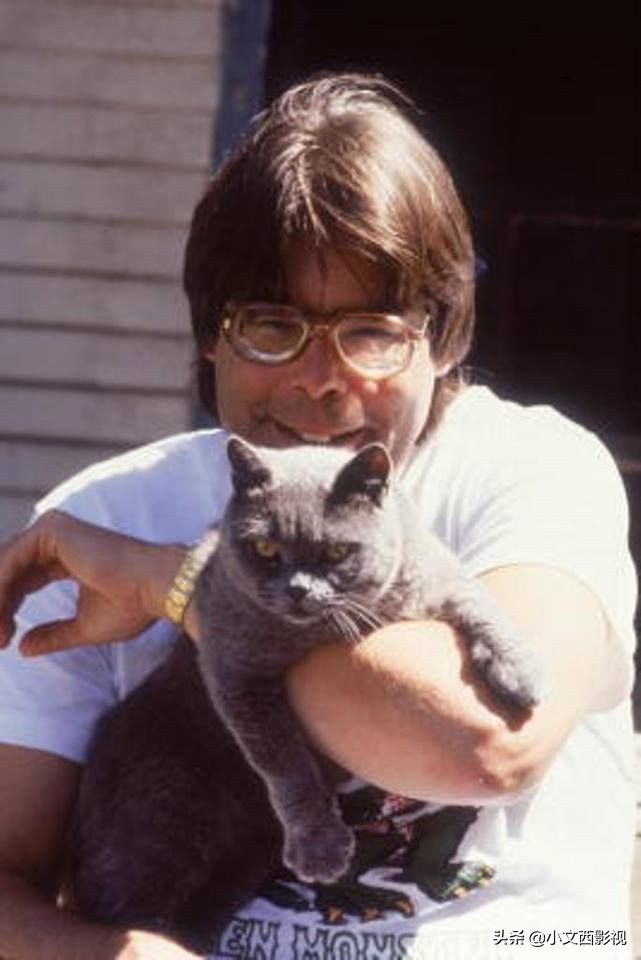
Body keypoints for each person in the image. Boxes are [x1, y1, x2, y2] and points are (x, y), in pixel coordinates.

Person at [0, 73, 637, 960]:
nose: (318, 379)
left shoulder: (533, 471)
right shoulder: (102, 514)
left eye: (369, 331)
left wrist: (171, 583)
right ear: (210, 337)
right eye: (271, 326)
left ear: (442, 335)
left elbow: (487, 747)